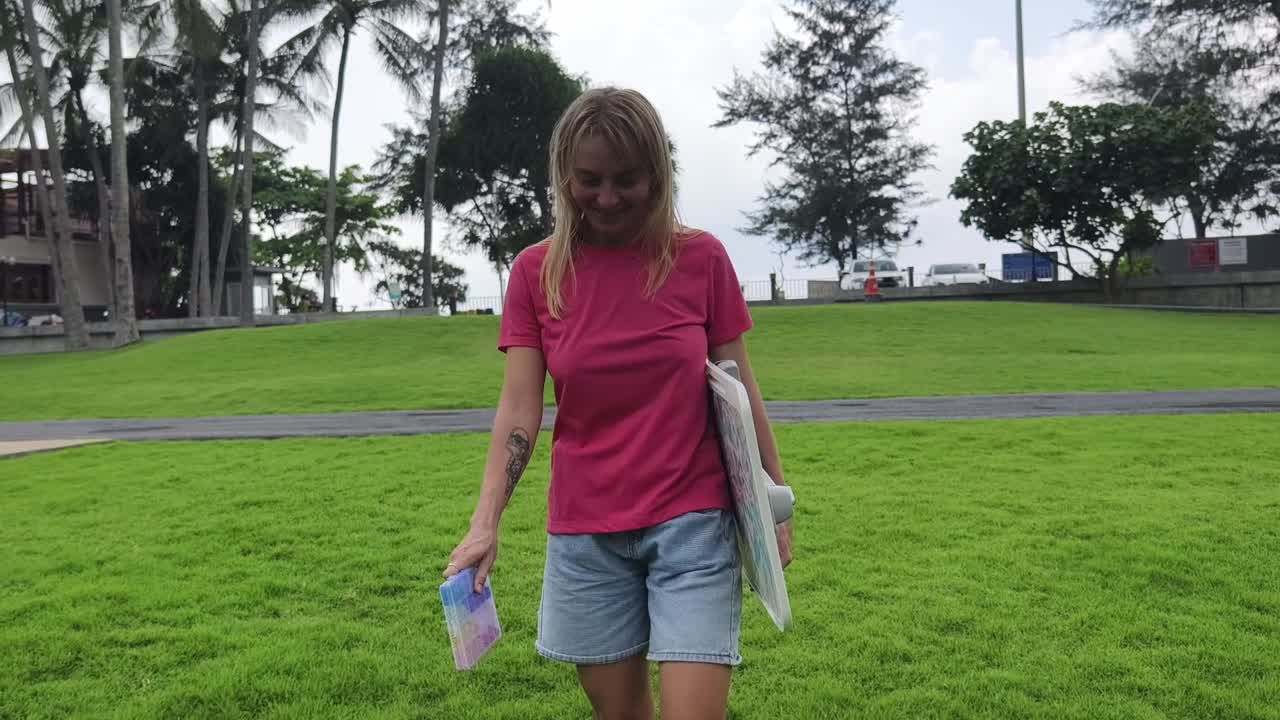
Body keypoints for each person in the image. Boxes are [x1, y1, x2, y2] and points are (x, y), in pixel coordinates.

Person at [443, 86, 792, 720]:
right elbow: (519, 411)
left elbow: (740, 390)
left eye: (626, 179)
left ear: (658, 173)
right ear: (564, 178)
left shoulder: (700, 259)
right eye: (589, 180)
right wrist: (484, 523)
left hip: (693, 526)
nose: (606, 198)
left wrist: (775, 499)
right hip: (585, 536)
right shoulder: (535, 273)